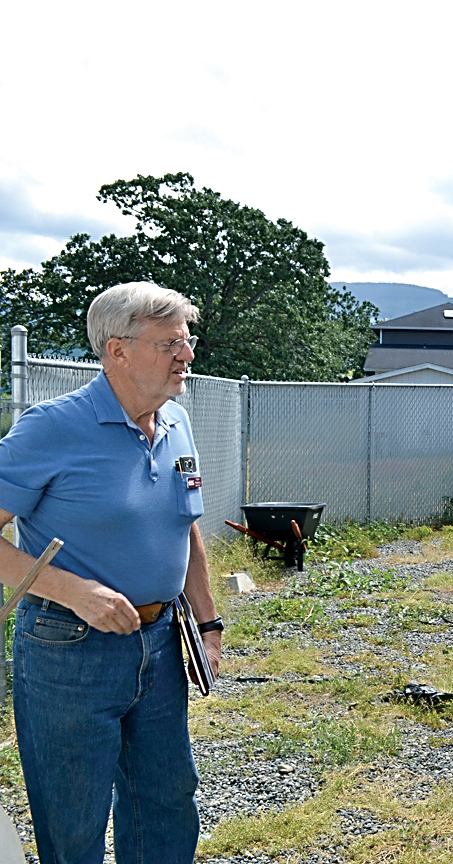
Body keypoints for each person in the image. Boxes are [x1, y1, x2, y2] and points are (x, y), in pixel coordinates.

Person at [0, 282, 222, 863]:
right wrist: (71, 590)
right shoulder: (52, 428)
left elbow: (185, 524)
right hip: (68, 649)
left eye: (187, 339)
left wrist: (209, 621)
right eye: (170, 343)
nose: (188, 355)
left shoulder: (176, 421)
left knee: (166, 801)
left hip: (162, 642)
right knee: (74, 817)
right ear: (117, 351)